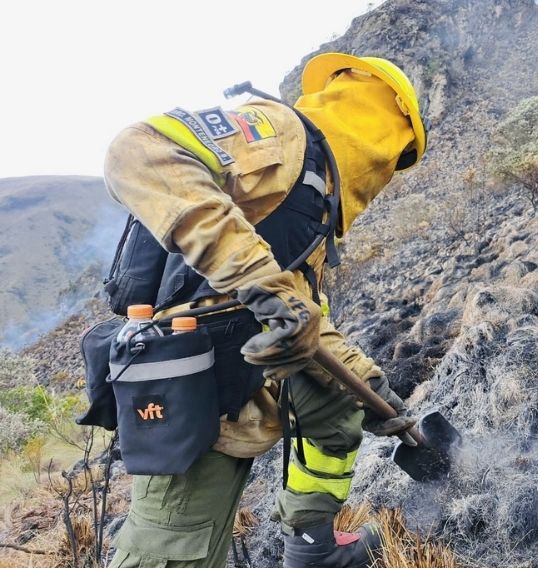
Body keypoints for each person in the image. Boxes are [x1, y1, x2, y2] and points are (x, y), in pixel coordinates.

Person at [102, 52, 427, 568]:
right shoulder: (281, 134)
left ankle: (312, 546)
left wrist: (370, 385)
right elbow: (138, 149)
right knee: (176, 550)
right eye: (399, 152)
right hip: (192, 380)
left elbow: (301, 308)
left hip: (250, 365)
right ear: (383, 123)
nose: (389, 168)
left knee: (336, 407)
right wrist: (259, 284)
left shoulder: (316, 195)